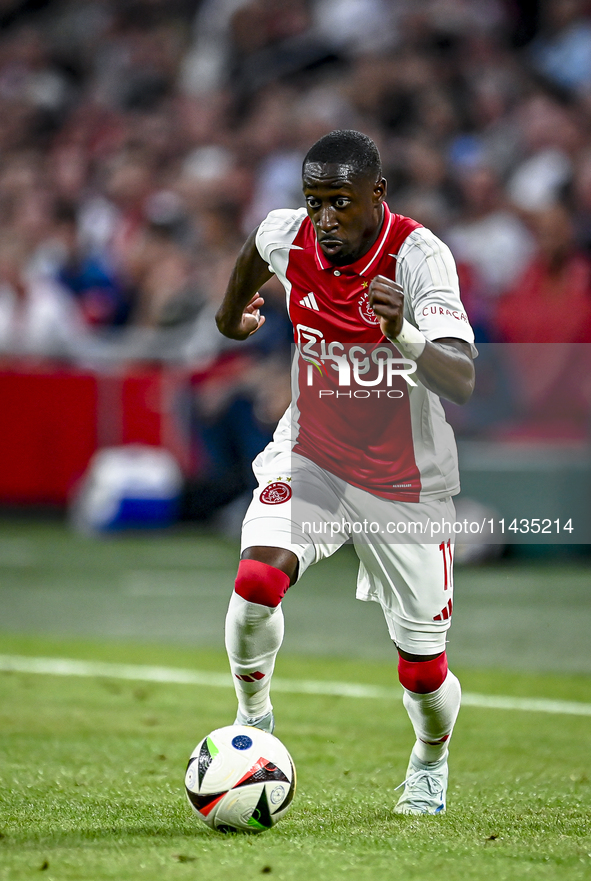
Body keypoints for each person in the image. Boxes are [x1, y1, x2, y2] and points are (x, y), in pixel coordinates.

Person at [215, 130, 476, 815]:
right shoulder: (289, 235)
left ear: (376, 195)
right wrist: (228, 316)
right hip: (313, 456)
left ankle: (429, 757)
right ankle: (255, 720)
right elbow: (254, 251)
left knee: (422, 672)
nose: (324, 217)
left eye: (339, 201)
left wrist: (405, 336)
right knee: (256, 578)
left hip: (404, 483)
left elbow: (463, 379)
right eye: (314, 201)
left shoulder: (419, 257)